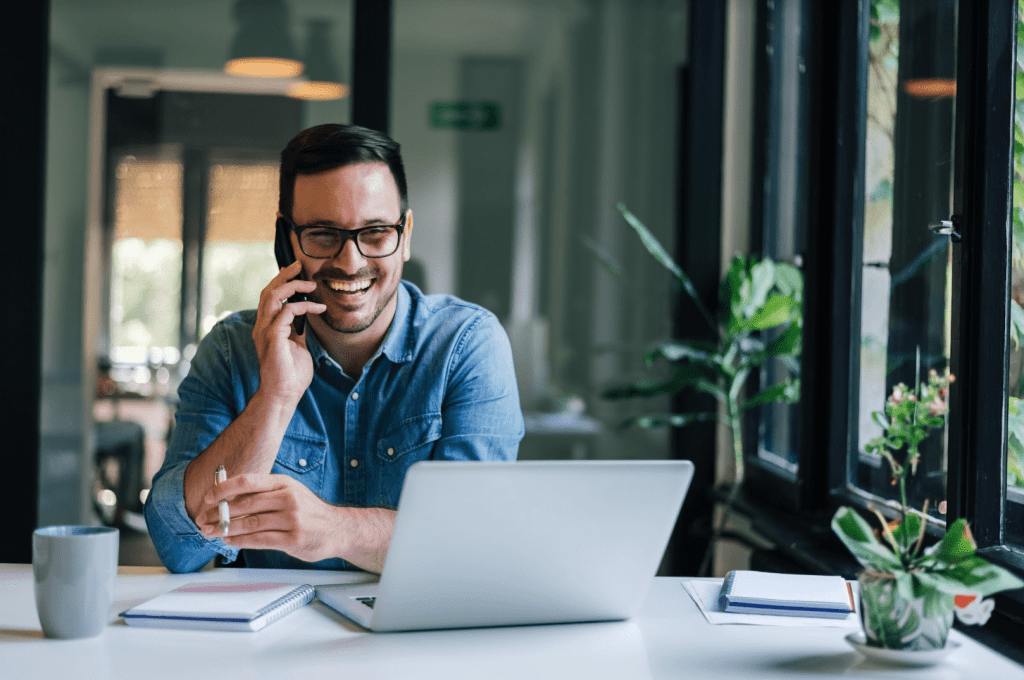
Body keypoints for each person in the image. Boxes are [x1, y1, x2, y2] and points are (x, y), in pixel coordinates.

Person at [145, 124, 524, 573]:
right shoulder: (231, 350)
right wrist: (276, 398)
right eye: (323, 234)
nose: (350, 262)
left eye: (375, 232)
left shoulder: (467, 345)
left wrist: (334, 530)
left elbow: (474, 542)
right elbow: (178, 547)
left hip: (417, 619)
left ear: (405, 234)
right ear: (287, 239)